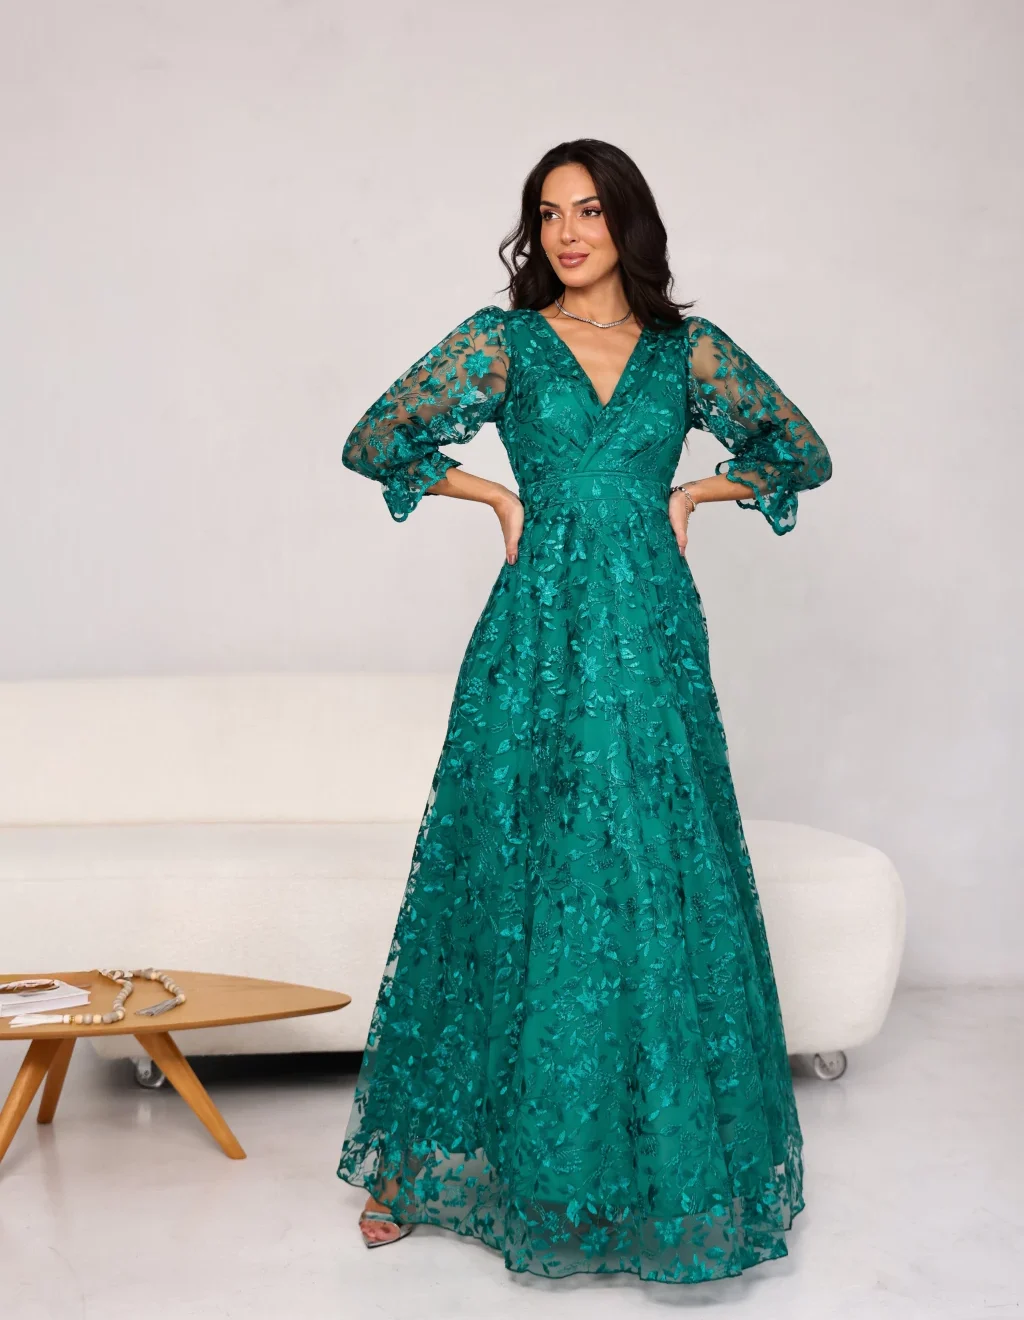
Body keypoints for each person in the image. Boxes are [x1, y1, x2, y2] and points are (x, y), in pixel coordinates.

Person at [336, 137, 832, 1284]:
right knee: (503, 859)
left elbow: (799, 450)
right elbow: (376, 438)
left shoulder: (684, 351)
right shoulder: (503, 343)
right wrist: (493, 496)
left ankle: (657, 1164)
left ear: (627, 225)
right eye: (549, 213)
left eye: (590, 212)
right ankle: (426, 1166)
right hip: (537, 630)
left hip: (651, 633)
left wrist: (700, 491)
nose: (566, 233)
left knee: (652, 864)